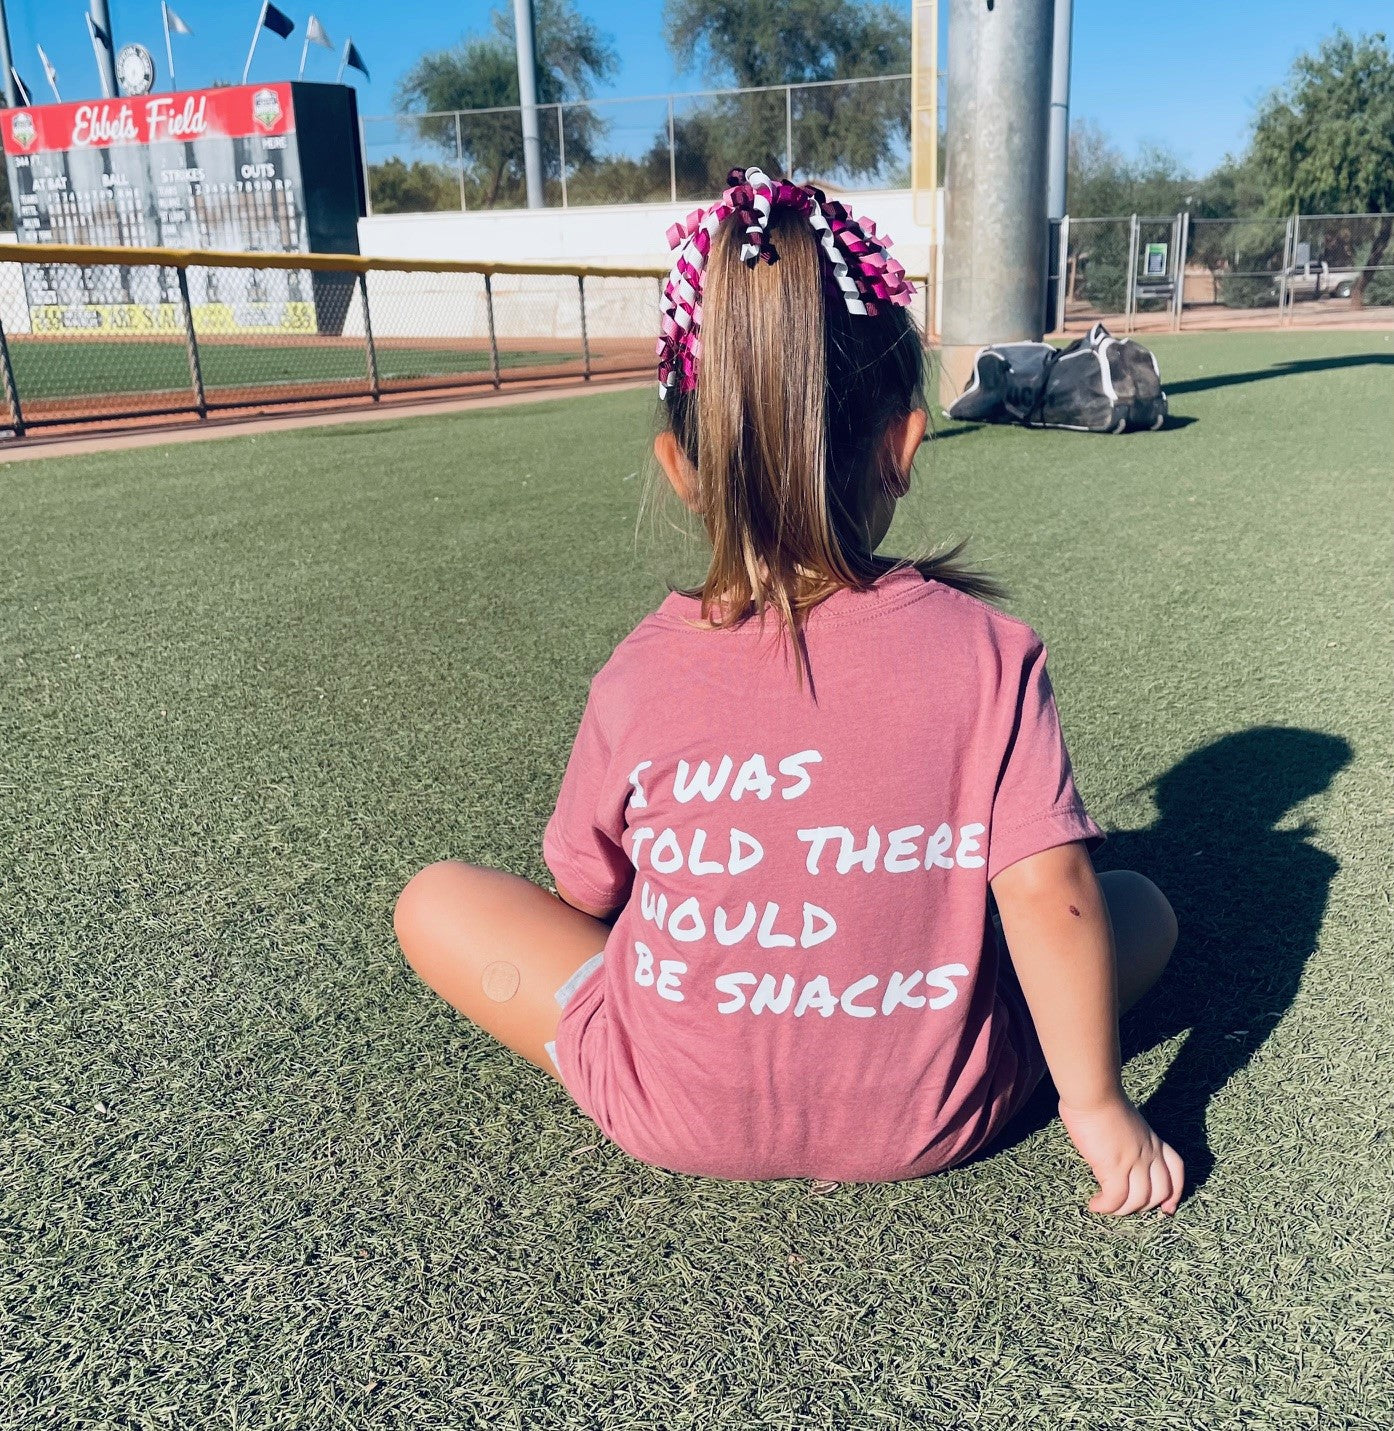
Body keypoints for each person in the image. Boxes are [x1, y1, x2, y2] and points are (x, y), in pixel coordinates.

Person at [394, 168, 1182, 1215]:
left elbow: (587, 894)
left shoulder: (637, 671)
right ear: (904, 446)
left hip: (668, 1104)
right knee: (1139, 908)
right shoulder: (988, 652)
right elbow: (1052, 895)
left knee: (433, 902)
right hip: (937, 1114)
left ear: (677, 469)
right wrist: (1095, 1107)